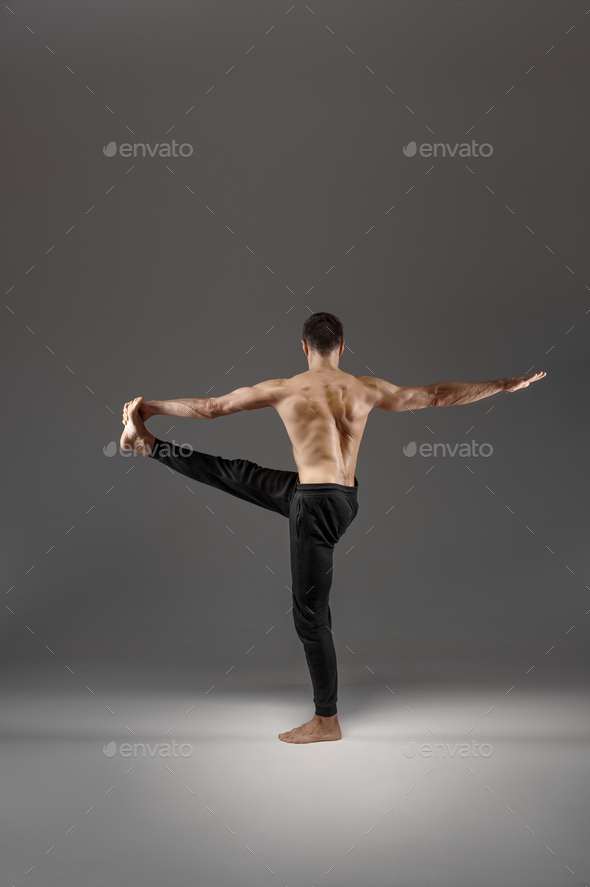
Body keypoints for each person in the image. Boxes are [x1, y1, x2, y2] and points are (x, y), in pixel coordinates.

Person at [120, 311, 546, 743]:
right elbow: (435, 395)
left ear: (303, 347)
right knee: (237, 473)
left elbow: (211, 408)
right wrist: (501, 385)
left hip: (314, 506)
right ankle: (147, 444)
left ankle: (327, 720)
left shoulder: (284, 388)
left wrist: (149, 406)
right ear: (342, 347)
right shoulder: (365, 387)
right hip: (341, 500)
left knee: (310, 617)